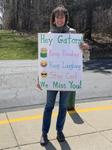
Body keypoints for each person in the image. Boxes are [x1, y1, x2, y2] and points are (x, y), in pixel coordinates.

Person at [37, 5, 89, 146]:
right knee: (49, 106)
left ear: (66, 18)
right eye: (57, 17)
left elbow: (84, 58)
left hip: (67, 78)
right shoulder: (47, 37)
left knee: (63, 106)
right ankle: (44, 133)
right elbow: (43, 60)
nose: (60, 19)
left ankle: (59, 131)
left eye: (62, 16)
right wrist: (39, 78)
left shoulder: (73, 34)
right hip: (52, 78)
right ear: (53, 19)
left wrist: (86, 49)